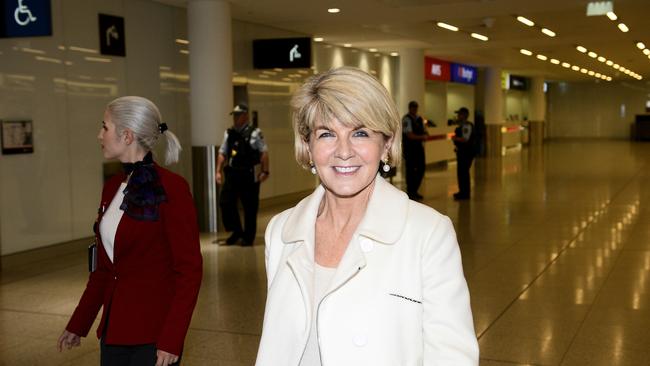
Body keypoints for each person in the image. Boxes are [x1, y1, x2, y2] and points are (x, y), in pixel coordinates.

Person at [255, 67, 478, 365]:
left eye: (360, 133)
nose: (343, 151)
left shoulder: (428, 233)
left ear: (386, 144)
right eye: (326, 134)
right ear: (308, 146)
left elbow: (452, 356)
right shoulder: (282, 231)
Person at [57, 96, 203, 366]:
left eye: (105, 127)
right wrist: (79, 322)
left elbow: (189, 271)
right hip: (113, 333)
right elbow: (104, 268)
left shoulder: (172, 189)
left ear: (126, 135)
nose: (99, 134)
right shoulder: (111, 187)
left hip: (154, 338)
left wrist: (172, 339)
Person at [216, 103, 270, 246]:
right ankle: (236, 231)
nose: (236, 118)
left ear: (245, 115)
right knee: (225, 202)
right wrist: (218, 171)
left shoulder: (255, 133)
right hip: (233, 173)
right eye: (234, 115)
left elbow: (264, 153)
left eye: (239, 115)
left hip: (249, 174)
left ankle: (248, 237)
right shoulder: (229, 133)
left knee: (249, 207)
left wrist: (265, 171)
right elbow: (222, 153)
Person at [401, 100, 429, 200]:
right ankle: (411, 191)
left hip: (418, 148)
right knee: (411, 170)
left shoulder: (419, 119)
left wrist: (424, 135)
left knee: (421, 168)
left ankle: (415, 190)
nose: (414, 109)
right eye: (413, 107)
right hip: (410, 149)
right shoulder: (406, 119)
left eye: (416, 107)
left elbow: (425, 131)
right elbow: (410, 135)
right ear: (409, 108)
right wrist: (422, 137)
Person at [452, 107, 477, 200]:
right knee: (462, 173)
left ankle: (465, 193)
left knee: (463, 173)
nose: (458, 116)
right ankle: (462, 192)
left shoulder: (466, 126)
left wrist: (455, 138)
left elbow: (465, 139)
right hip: (463, 152)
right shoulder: (462, 125)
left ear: (464, 115)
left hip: (466, 153)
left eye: (459, 114)